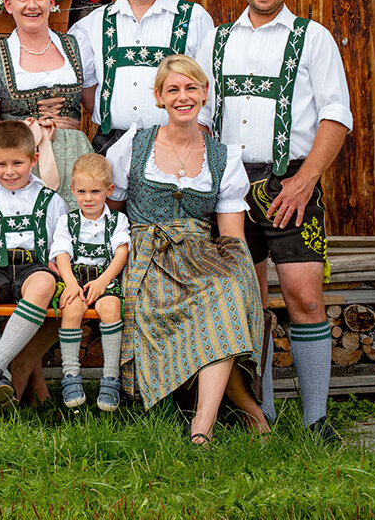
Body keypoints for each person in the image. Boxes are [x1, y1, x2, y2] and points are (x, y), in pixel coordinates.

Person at [196, 0, 353, 442]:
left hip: (291, 182)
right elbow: (196, 113)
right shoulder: (216, 40)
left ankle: (315, 419)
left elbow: (336, 115)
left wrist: (306, 181)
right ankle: (258, 413)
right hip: (229, 188)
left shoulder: (314, 38)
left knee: (305, 298)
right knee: (246, 300)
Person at [107, 54, 268, 444]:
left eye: (191, 88)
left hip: (200, 254)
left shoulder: (223, 157)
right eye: (173, 89)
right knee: (198, 307)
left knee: (224, 292)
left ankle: (202, 427)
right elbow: (109, 212)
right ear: (159, 97)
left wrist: (239, 276)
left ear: (205, 94)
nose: (183, 97)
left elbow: (231, 237)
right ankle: (249, 411)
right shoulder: (132, 145)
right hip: (146, 255)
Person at [69, 0, 214, 157]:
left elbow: (208, 84)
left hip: (178, 144)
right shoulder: (91, 25)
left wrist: (196, 139)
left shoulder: (194, 18)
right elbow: (88, 90)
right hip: (110, 145)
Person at [0, 121, 69, 405]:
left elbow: (61, 240)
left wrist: (57, 260)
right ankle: (1, 380)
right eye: (1, 164)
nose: (9, 172)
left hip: (34, 265)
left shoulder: (50, 200)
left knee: (44, 283)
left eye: (18, 163)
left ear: (34, 159)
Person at [0, 0, 94, 207]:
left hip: (77, 160)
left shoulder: (76, 46)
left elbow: (96, 106)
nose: (32, 5)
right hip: (18, 162)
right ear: (8, 5)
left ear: (51, 2)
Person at [49, 153, 130, 411]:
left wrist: (105, 279)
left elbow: (121, 253)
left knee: (110, 309)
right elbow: (62, 253)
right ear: (72, 190)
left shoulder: (118, 221)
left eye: (95, 191)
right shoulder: (68, 221)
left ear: (109, 190)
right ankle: (71, 375)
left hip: (105, 278)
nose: (88, 198)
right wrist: (71, 283)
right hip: (76, 277)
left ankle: (110, 377)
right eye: (81, 191)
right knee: (72, 308)